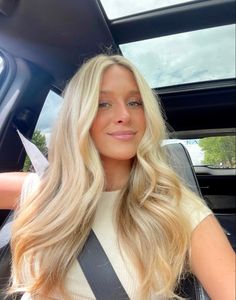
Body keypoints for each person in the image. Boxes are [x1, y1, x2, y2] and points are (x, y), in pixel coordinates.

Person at [0, 54, 235, 299]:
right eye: (103, 103)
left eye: (135, 102)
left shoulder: (179, 209)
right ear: (78, 116)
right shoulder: (41, 190)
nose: (124, 114)